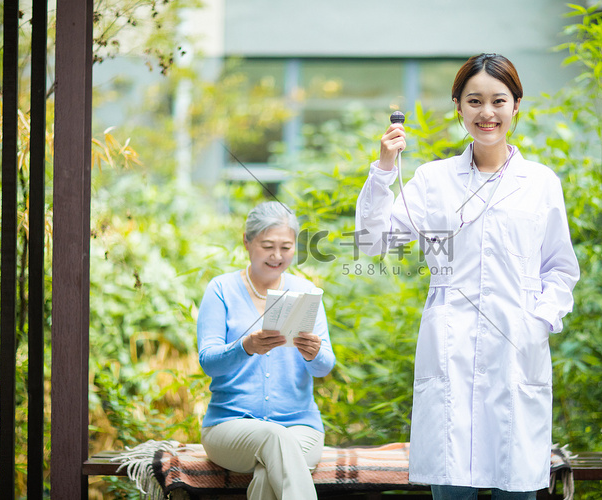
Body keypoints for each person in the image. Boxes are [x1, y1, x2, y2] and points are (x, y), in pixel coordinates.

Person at [355, 53, 580, 499]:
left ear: (517, 105)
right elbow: (375, 240)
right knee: (451, 481)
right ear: (458, 106)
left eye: (498, 100)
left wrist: (540, 320)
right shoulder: (432, 179)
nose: (487, 112)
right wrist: (384, 169)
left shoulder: (540, 182)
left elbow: (559, 267)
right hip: (450, 344)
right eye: (474, 101)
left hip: (518, 344)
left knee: (516, 483)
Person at [197, 201, 336, 500]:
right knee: (273, 437)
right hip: (228, 427)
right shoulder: (221, 290)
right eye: (267, 246)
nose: (277, 256)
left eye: (286, 247)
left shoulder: (307, 293)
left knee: (267, 474)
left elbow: (324, 367)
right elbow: (209, 362)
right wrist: (245, 347)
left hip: (302, 427)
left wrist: (314, 353)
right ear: (246, 241)